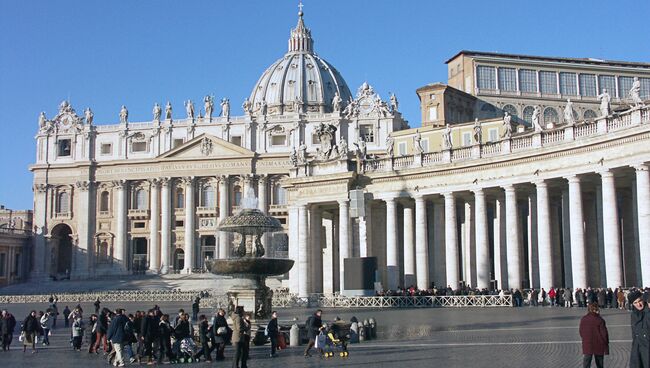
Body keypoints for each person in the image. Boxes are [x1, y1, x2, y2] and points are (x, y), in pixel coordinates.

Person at [579, 303, 609, 368]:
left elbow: (581, 332)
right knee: (599, 363)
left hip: (587, 343)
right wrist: (606, 344)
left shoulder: (583, 319)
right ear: (595, 310)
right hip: (599, 344)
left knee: (586, 362)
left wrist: (585, 338)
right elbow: (604, 334)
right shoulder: (600, 320)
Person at [629, 290, 650, 368]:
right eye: (635, 303)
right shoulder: (634, 314)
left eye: (639, 301)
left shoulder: (648, 311)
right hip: (637, 348)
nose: (638, 304)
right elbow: (634, 333)